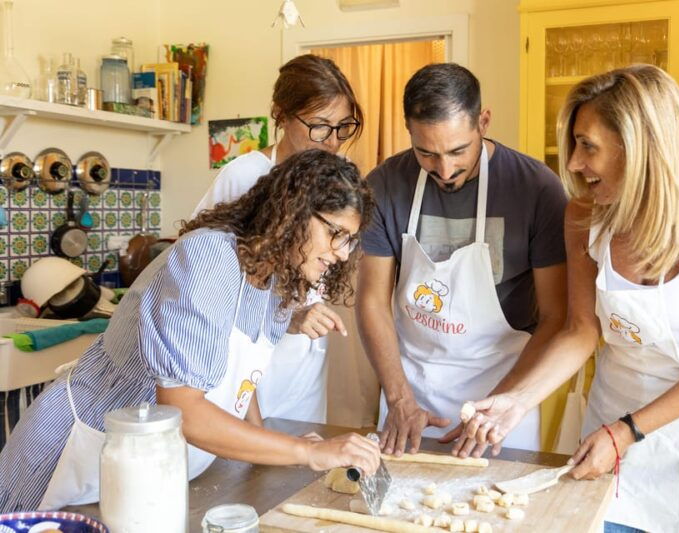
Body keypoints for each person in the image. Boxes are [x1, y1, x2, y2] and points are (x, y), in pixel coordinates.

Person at [460, 65, 679, 532]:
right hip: (610, 430)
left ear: (640, 145)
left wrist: (627, 432)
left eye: (588, 146)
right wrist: (517, 400)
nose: (576, 164)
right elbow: (582, 330)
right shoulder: (585, 215)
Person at [0, 150, 379, 512]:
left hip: (145, 468)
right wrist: (307, 452)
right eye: (336, 233)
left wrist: (270, 449)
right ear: (295, 212)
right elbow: (183, 409)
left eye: (350, 239)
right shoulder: (210, 256)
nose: (343, 253)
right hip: (80, 452)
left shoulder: (275, 277)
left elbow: (241, 380)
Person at [356, 63, 568, 457]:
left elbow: (558, 317)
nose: (445, 169)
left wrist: (503, 405)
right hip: (412, 386)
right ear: (409, 130)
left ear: (483, 121)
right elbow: (371, 301)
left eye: (458, 151)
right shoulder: (385, 184)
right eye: (426, 153)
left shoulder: (537, 189)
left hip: (504, 384)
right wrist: (399, 397)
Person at [194, 54, 364, 424]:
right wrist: (290, 317)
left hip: (302, 373)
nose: (333, 141)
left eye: (343, 127)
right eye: (320, 126)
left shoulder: (333, 181)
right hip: (244, 373)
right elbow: (207, 294)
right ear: (281, 114)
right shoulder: (244, 178)